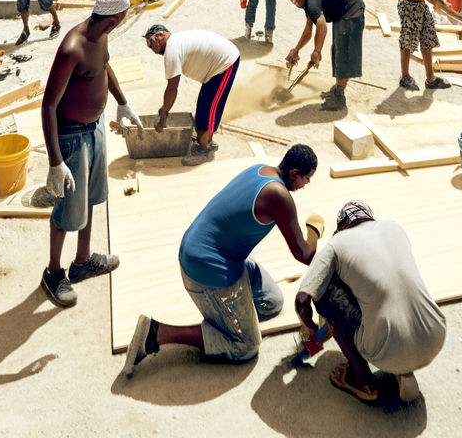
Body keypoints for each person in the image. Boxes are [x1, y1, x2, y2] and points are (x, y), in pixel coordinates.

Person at [122, 145, 323, 374]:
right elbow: (304, 254)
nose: (306, 184)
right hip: (207, 270)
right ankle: (156, 333)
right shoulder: (279, 197)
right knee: (246, 346)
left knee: (272, 302)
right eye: (306, 178)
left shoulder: (261, 169)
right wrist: (314, 233)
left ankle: (227, 315)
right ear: (294, 173)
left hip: (208, 253)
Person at [37, 0, 142, 307]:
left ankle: (82, 262)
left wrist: (122, 103)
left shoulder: (102, 37)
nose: (119, 26)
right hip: (70, 135)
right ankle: (53, 272)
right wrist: (56, 162)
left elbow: (105, 67)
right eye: (119, 21)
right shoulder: (73, 47)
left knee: (92, 198)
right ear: (109, 19)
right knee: (68, 209)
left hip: (94, 128)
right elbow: (48, 106)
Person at [296, 200, 447, 404]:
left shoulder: (337, 242)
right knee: (386, 290)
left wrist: (312, 327)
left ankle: (362, 381)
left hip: (385, 346)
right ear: (369, 217)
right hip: (434, 335)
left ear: (340, 226)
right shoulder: (393, 227)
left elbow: (302, 300)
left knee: (323, 288)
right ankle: (402, 369)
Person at [144, 25, 240, 165]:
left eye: (150, 41)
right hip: (214, 69)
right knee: (202, 108)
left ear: (160, 35)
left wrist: (164, 112)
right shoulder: (174, 44)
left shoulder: (172, 49)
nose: (150, 46)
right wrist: (165, 109)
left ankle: (204, 150)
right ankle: (206, 140)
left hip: (225, 62)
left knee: (210, 109)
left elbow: (172, 88)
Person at [286, 0, 365, 112]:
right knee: (337, 49)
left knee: (343, 52)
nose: (292, 2)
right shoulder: (309, 4)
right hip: (343, 13)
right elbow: (308, 31)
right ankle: (338, 88)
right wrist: (296, 51)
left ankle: (339, 97)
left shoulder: (311, 3)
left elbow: (321, 25)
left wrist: (317, 51)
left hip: (352, 11)